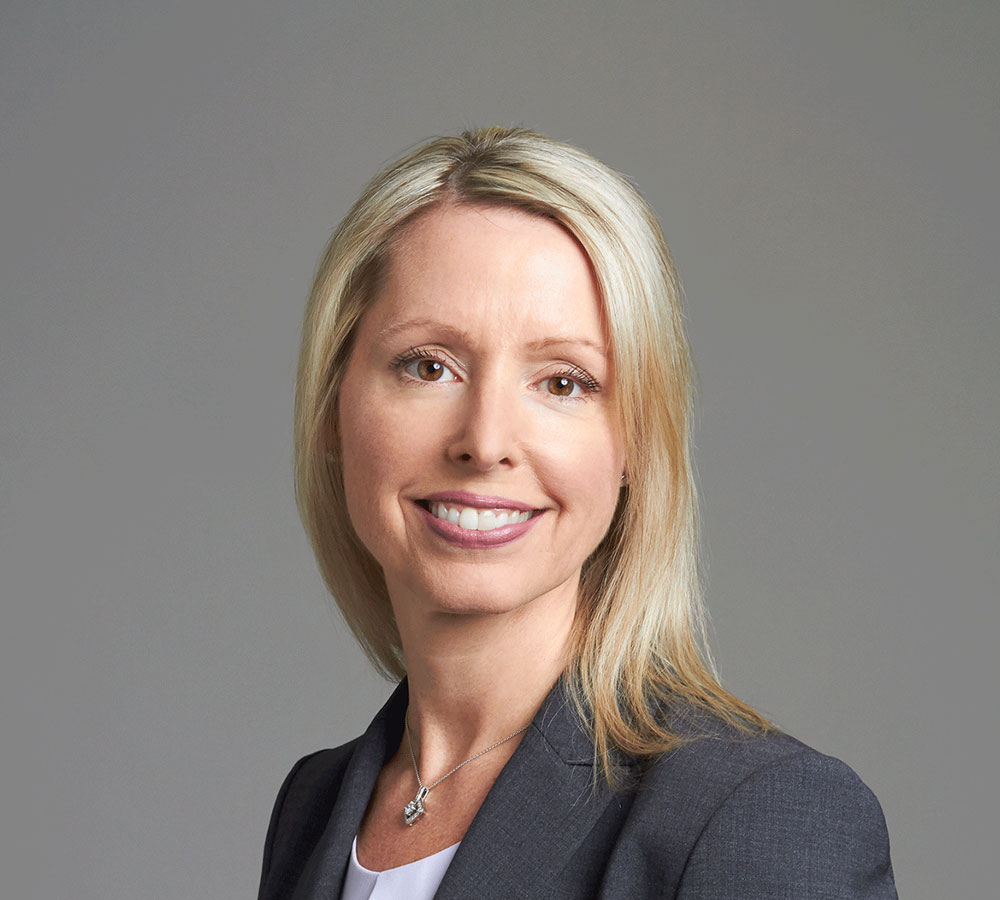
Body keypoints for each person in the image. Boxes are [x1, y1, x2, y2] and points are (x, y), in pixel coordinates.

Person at [258, 127, 897, 900]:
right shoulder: (316, 807)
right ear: (333, 405)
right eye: (430, 366)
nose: (485, 441)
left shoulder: (758, 816)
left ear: (636, 443)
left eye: (563, 383)